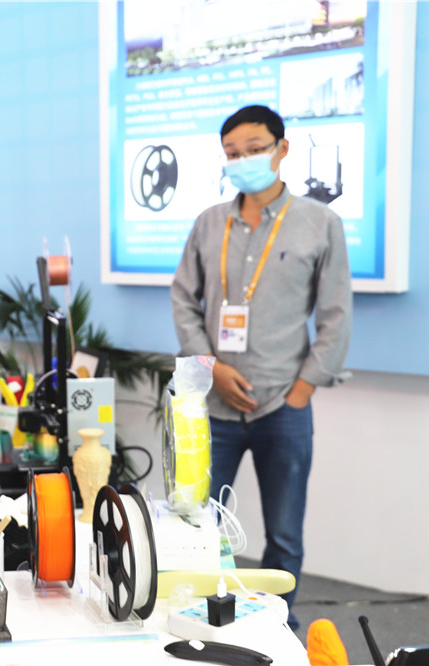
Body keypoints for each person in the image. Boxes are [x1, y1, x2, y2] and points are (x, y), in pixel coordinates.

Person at [170, 104, 352, 629]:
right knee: (196, 525)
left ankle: (277, 629)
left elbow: (336, 315)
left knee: (285, 534)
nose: (242, 160)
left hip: (282, 408)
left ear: (281, 149)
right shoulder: (210, 223)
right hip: (214, 408)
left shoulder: (321, 223)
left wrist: (302, 391)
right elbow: (183, 299)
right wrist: (210, 367)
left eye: (253, 149)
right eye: (232, 153)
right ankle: (199, 622)